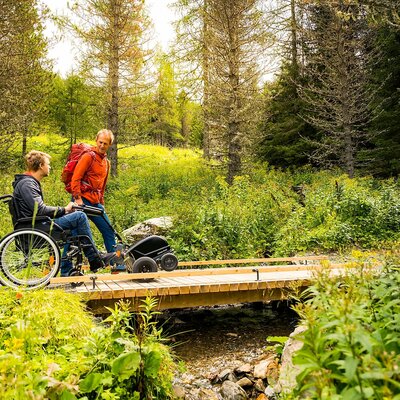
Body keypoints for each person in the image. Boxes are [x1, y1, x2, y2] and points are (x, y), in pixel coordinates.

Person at [12, 150, 106, 276]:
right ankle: (95, 258)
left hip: (36, 224)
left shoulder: (28, 183)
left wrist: (65, 211)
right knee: (80, 216)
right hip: (37, 227)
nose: (49, 167)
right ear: (41, 165)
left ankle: (68, 268)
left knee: (74, 218)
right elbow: (39, 210)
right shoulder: (28, 184)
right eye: (48, 164)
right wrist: (64, 209)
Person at [70, 129, 117, 255]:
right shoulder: (88, 157)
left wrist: (101, 202)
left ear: (109, 145)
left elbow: (102, 186)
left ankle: (115, 263)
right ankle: (66, 267)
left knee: (108, 230)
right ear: (96, 141)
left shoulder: (106, 162)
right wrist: (77, 199)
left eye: (105, 143)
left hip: (95, 201)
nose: (102, 146)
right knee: (74, 236)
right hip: (81, 199)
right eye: (100, 142)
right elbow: (76, 178)